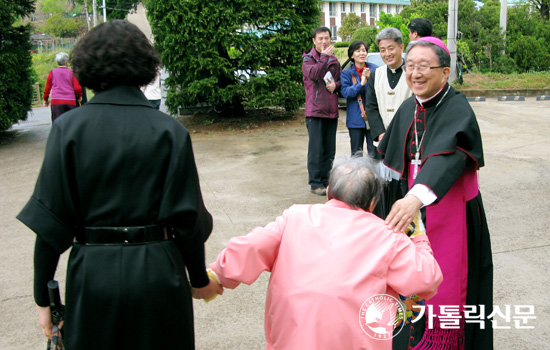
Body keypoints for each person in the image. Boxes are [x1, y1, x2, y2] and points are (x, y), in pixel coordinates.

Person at [17, 20, 221, 350]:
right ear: (145, 64)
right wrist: (198, 279)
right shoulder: (170, 131)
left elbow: (50, 224)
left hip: (94, 272)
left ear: (86, 65)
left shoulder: (68, 129)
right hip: (158, 271)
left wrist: (44, 300)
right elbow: (188, 219)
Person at [196, 156, 443, 350]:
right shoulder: (388, 236)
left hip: (290, 341)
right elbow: (426, 280)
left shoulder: (295, 217)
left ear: (328, 192)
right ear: (373, 203)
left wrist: (216, 276)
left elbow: (251, 246)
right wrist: (419, 237)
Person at [379, 37, 493, 349]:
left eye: (424, 67)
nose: (415, 73)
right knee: (407, 282)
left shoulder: (457, 108)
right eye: (410, 66)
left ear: (445, 72)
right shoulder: (408, 107)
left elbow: (450, 157)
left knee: (453, 290)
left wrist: (417, 196)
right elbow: (387, 161)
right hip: (409, 210)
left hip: (451, 213)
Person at [366, 28, 412, 219]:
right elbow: (371, 107)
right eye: (382, 49)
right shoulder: (377, 75)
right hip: (382, 142)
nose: (387, 54)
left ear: (401, 47)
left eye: (391, 48)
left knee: (404, 186)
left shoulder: (411, 73)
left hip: (408, 142)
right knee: (382, 187)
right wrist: (380, 134)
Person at [302, 26, 342, 196]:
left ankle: (326, 181)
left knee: (329, 149)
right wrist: (324, 56)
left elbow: (340, 81)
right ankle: (315, 182)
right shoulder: (308, 59)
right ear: (314, 41)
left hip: (331, 111)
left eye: (327, 38)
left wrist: (336, 86)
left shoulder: (334, 61)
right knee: (316, 149)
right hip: (315, 111)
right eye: (320, 39)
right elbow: (314, 74)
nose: (324, 41)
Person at [340, 40, 378, 157]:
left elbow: (380, 90)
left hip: (373, 117)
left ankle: (375, 175)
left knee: (375, 153)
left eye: (364, 50)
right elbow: (345, 92)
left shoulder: (375, 69)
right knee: (356, 154)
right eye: (358, 51)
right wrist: (360, 84)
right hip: (355, 119)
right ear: (352, 55)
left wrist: (371, 79)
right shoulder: (346, 73)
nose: (362, 53)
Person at [43, 52, 82, 123]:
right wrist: (79, 96)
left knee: (57, 123)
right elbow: (77, 88)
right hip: (70, 101)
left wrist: (46, 99)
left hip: (56, 101)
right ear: (67, 62)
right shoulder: (72, 73)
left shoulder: (52, 72)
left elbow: (47, 89)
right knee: (71, 123)